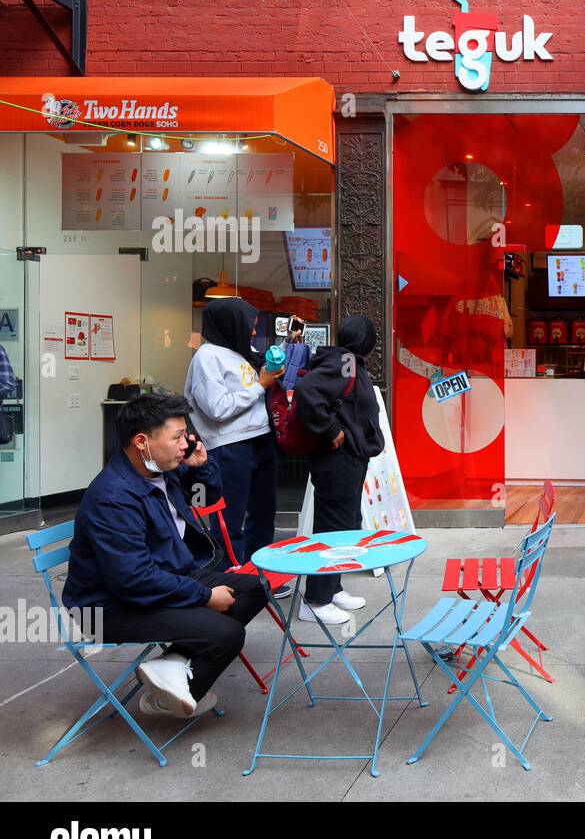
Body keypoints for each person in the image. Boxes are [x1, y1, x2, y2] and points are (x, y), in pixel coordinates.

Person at [63, 392, 269, 717]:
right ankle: (165, 700)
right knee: (226, 633)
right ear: (142, 441)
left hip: (164, 576)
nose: (183, 445)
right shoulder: (114, 497)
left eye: (185, 435)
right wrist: (203, 597)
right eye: (176, 437)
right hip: (109, 606)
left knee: (254, 587)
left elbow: (209, 498)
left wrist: (202, 467)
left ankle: (172, 665)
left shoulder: (160, 470)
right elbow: (132, 579)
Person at [291, 316, 385, 624]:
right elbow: (306, 390)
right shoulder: (345, 362)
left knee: (343, 525)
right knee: (332, 528)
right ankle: (315, 600)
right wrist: (330, 430)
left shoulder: (349, 362)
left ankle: (332, 587)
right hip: (337, 461)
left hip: (348, 460)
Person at [184, 298, 281, 568]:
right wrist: (260, 385)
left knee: (263, 513)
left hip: (261, 441)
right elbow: (218, 408)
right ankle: (231, 576)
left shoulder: (240, 350)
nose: (253, 332)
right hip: (229, 446)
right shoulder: (207, 357)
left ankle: (262, 572)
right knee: (230, 519)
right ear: (230, 325)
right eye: (249, 326)